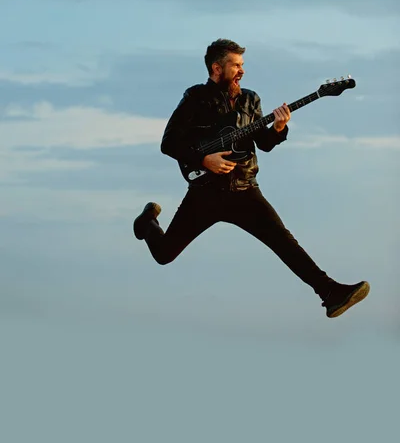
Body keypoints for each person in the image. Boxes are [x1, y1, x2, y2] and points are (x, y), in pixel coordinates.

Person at [133, 39, 370, 318]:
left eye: (242, 65)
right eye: (235, 65)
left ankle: (331, 293)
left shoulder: (250, 99)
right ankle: (147, 222)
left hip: (245, 190)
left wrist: (279, 128)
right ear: (216, 68)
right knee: (164, 254)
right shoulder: (195, 98)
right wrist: (203, 159)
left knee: (284, 242)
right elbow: (169, 143)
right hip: (205, 194)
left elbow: (265, 143)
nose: (241, 70)